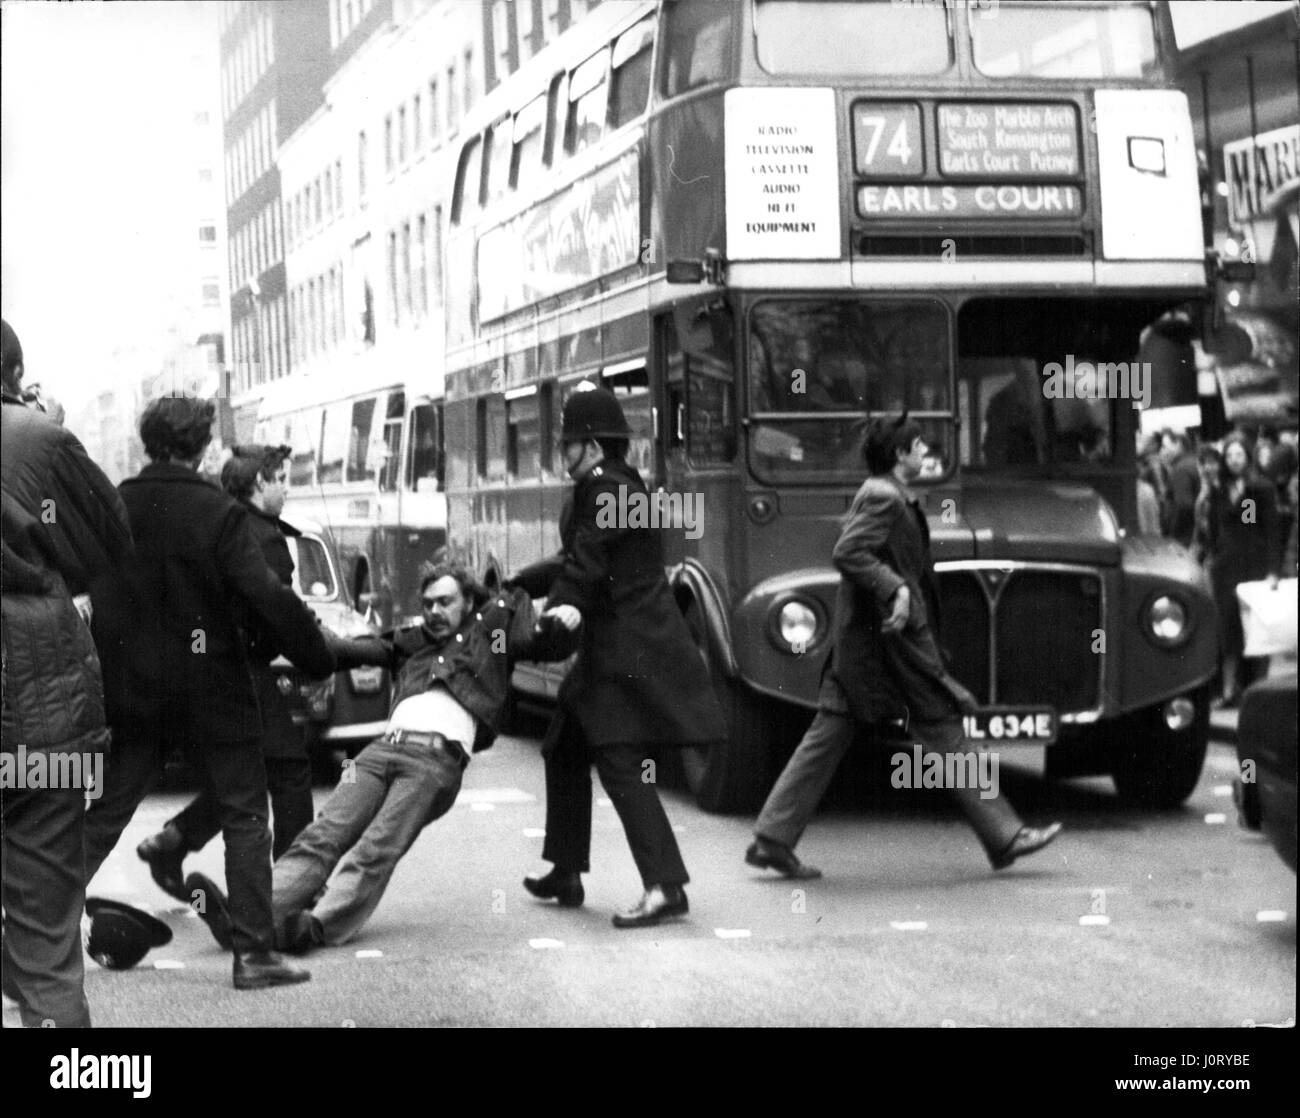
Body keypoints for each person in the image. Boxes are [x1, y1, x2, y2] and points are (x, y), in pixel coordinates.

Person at [189, 563, 574, 954]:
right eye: (428, 604)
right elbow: (344, 651)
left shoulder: (493, 634)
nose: (435, 612)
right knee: (321, 835)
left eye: (445, 602)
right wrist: (293, 626)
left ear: (469, 601)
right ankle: (250, 920)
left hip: (434, 761)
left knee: (375, 849)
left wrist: (565, 617)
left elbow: (539, 639)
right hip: (379, 752)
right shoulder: (409, 641)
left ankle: (315, 927)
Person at [84, 397, 337, 990]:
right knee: (247, 811)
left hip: (137, 691)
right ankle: (253, 956)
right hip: (213, 689)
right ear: (201, 449)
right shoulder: (217, 513)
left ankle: (31, 932)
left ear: (150, 444)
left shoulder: (114, 508)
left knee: (107, 813)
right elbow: (267, 596)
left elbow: (96, 593)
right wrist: (315, 657)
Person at [746, 413, 1062, 879]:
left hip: (871, 646)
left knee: (829, 735)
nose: (924, 452)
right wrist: (893, 587)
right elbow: (849, 552)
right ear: (898, 456)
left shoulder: (888, 495)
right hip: (890, 648)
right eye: (917, 446)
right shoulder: (882, 497)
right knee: (945, 731)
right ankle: (1006, 836)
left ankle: (772, 839)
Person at [512, 384, 727, 928]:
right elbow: (576, 557)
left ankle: (665, 886)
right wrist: (517, 583)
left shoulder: (610, 490)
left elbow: (584, 567)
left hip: (627, 646)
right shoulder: (605, 489)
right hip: (613, 644)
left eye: (567, 445)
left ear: (591, 446)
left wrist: (556, 614)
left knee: (620, 761)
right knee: (563, 745)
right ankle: (565, 869)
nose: (560, 455)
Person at [1, 319, 134, 1027]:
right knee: (47, 910)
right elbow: (106, 543)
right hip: (37, 727)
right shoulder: (36, 439)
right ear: (14, 371)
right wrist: (42, 432)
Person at [135, 445, 312, 900]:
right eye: (283, 480)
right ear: (259, 484)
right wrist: (312, 649)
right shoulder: (262, 535)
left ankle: (174, 841)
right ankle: (290, 888)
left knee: (242, 774)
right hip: (244, 669)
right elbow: (274, 609)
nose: (287, 490)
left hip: (193, 668)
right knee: (288, 771)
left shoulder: (214, 519)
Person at [1192, 431, 1281, 707]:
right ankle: (1230, 690)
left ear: (1248, 456)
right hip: (1226, 567)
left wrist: (1274, 570)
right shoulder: (1219, 490)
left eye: (1238, 454)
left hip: (1253, 566)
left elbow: (1270, 530)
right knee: (1228, 630)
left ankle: (1257, 691)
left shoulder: (1260, 488)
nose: (1233, 460)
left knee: (1256, 631)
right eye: (1229, 455)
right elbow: (1215, 529)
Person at [1160, 430, 1200, 547]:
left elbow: (1183, 505)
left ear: (1178, 444)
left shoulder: (1181, 470)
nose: (1162, 451)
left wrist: (1172, 533)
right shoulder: (1194, 462)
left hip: (1184, 537)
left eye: (1164, 446)